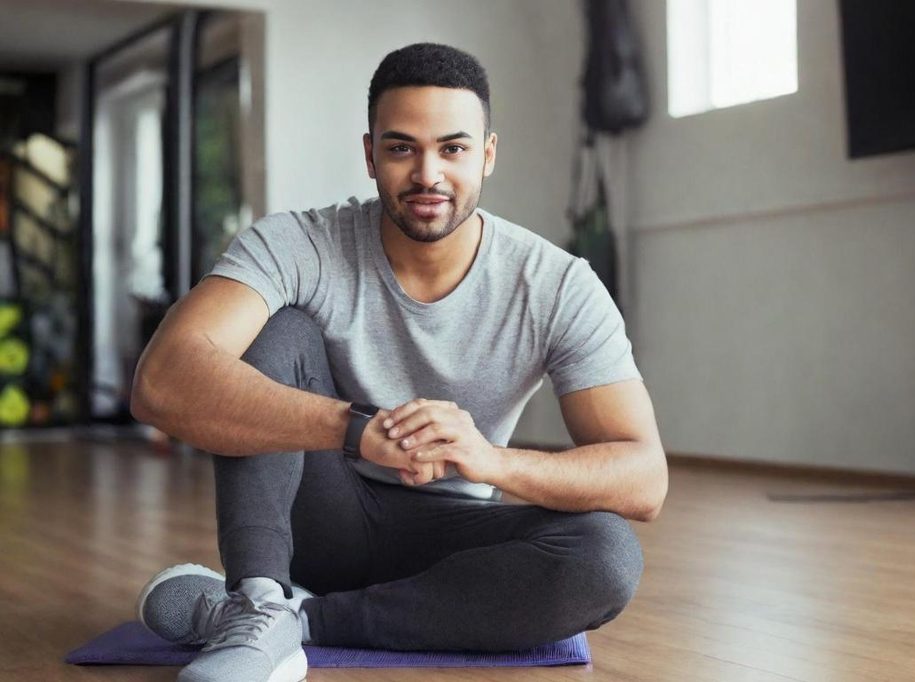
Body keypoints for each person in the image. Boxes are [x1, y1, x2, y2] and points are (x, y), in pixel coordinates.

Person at [130, 42, 667, 682]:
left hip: (450, 532)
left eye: (454, 148)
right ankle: (261, 591)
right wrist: (359, 430)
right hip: (318, 516)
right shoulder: (297, 243)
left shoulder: (555, 284)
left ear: (488, 154)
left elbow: (644, 479)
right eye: (402, 147)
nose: (428, 174)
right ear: (370, 155)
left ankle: (283, 622)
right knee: (279, 329)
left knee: (605, 556)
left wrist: (491, 461)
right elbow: (161, 383)